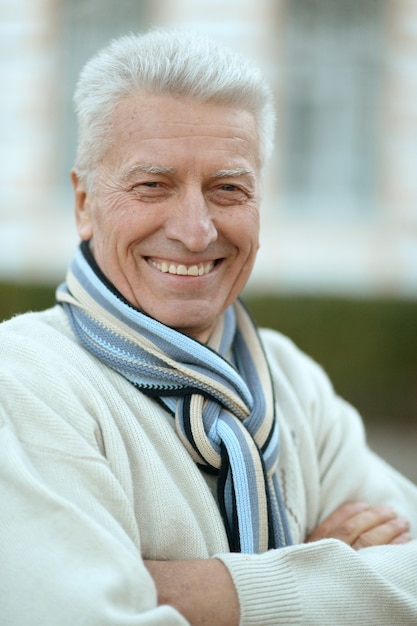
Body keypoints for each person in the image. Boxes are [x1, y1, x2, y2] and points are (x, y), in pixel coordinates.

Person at [1, 29, 416, 626]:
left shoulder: (289, 376)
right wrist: (338, 582)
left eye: (228, 189)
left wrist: (215, 592)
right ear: (84, 203)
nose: (196, 231)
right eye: (153, 185)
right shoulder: (24, 383)